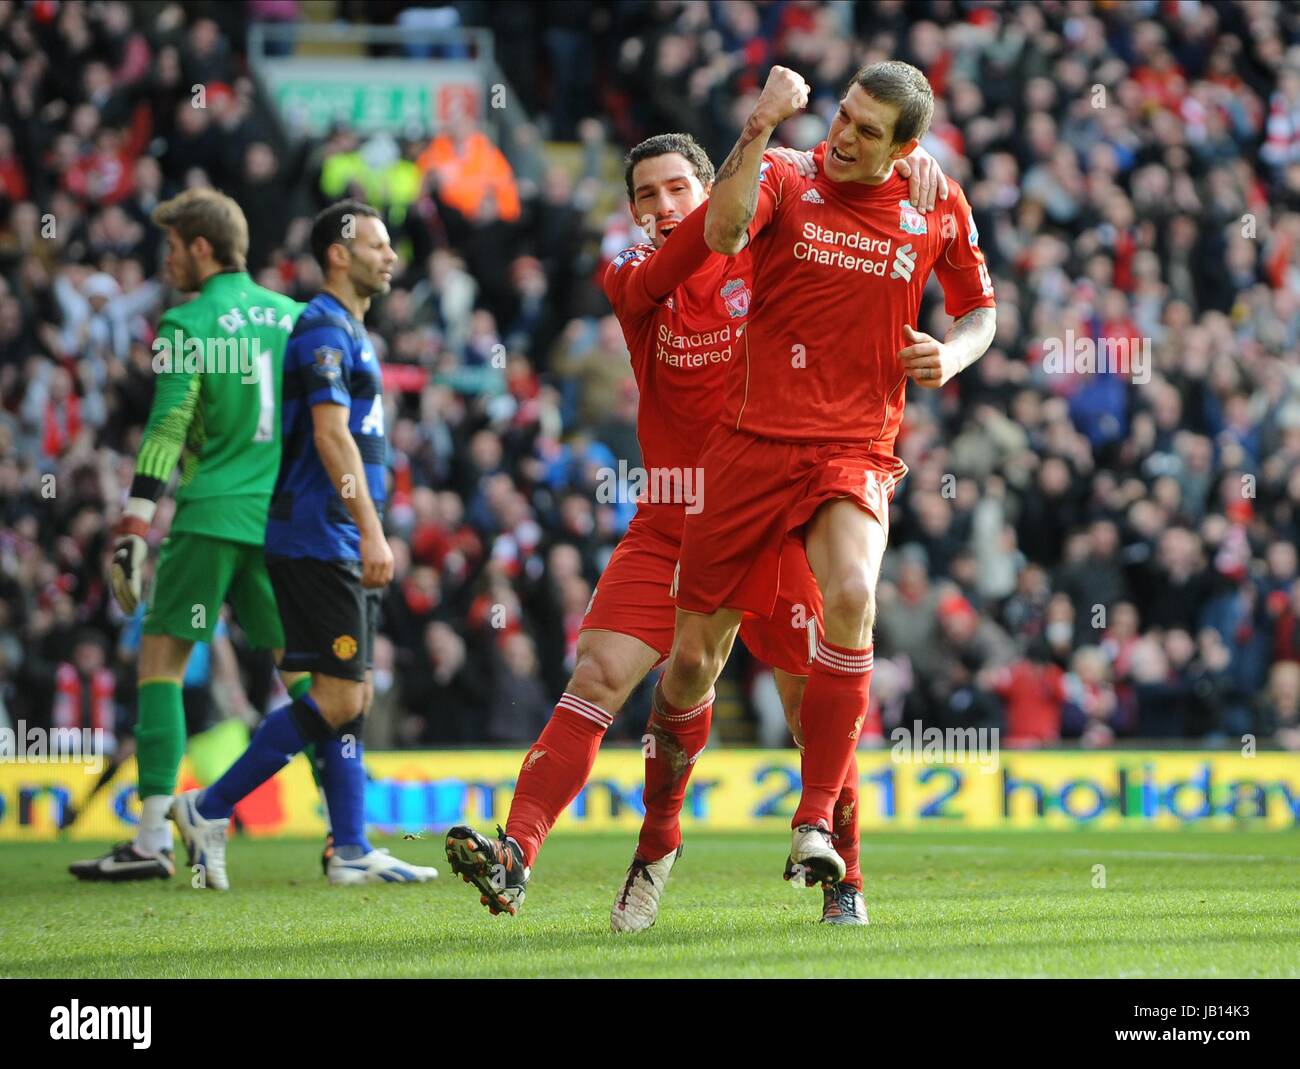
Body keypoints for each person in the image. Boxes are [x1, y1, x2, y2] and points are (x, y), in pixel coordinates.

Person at [444, 131, 948, 929]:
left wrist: (904, 163)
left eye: (678, 188)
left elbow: (838, 177)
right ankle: (522, 853)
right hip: (675, 517)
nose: (661, 206)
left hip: (779, 517)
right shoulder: (634, 277)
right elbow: (693, 246)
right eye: (645, 194)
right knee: (601, 675)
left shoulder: (775, 251)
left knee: (804, 703)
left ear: (716, 188)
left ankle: (843, 876)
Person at [659, 62, 995, 891]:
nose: (844, 136)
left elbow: (981, 309)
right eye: (843, 116)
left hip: (852, 448)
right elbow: (724, 235)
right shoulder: (785, 170)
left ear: (907, 148)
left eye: (868, 132)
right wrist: (761, 123)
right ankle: (658, 835)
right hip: (747, 446)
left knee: (853, 596)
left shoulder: (936, 201)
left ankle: (818, 826)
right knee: (692, 664)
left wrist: (951, 354)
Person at [167, 199, 437, 888]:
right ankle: (209, 804)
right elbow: (329, 434)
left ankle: (350, 846)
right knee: (342, 699)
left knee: (351, 690)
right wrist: (373, 528)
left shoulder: (348, 327)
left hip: (334, 536)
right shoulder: (321, 326)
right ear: (339, 254)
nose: (391, 256)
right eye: (377, 245)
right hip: (321, 536)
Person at [70, 188, 307, 882]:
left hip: (207, 516)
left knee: (161, 666)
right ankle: (345, 838)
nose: (167, 259)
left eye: (172, 246)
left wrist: (136, 520)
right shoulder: (293, 318)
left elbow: (169, 425)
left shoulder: (187, 322)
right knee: (307, 681)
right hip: (279, 525)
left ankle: (150, 838)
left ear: (202, 247)